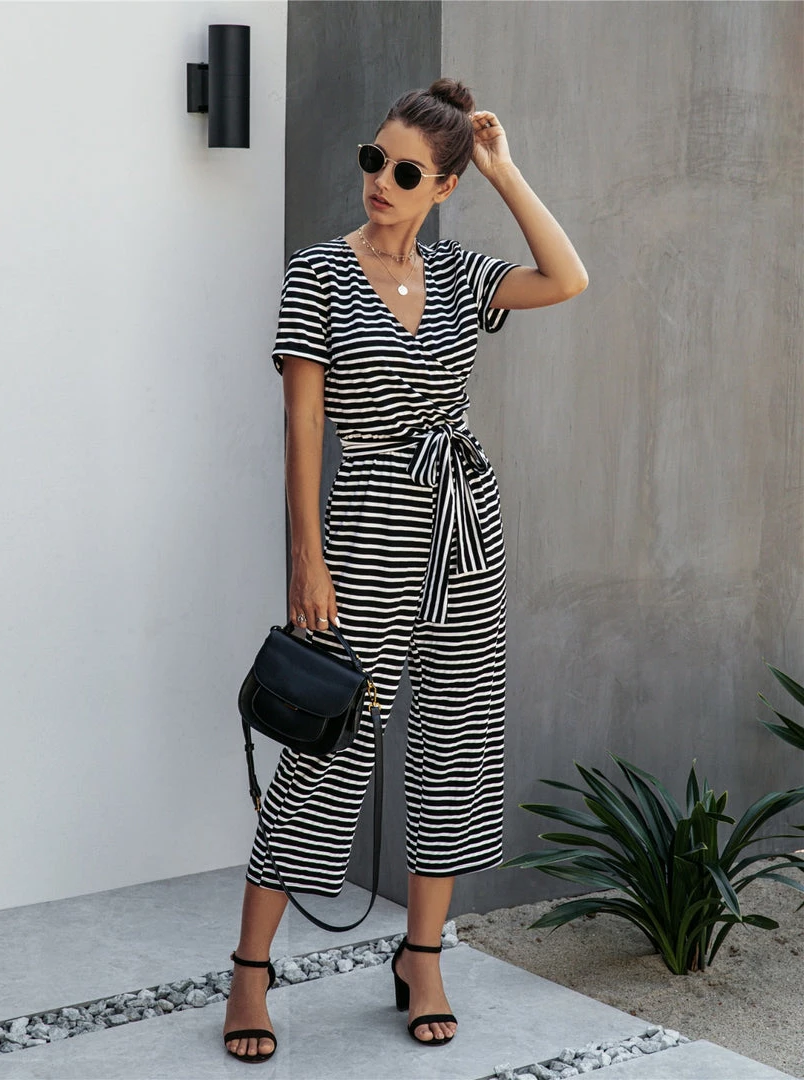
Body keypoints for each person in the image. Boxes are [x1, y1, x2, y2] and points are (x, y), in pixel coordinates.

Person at [223, 77, 588, 1064]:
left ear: (445, 186)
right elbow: (304, 424)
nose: (381, 180)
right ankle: (250, 970)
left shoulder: (461, 273)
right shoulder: (319, 274)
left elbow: (566, 278)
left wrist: (505, 169)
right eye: (374, 159)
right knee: (326, 752)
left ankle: (422, 956)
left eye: (408, 171)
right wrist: (306, 558)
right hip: (364, 533)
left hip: (465, 530)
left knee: (456, 747)